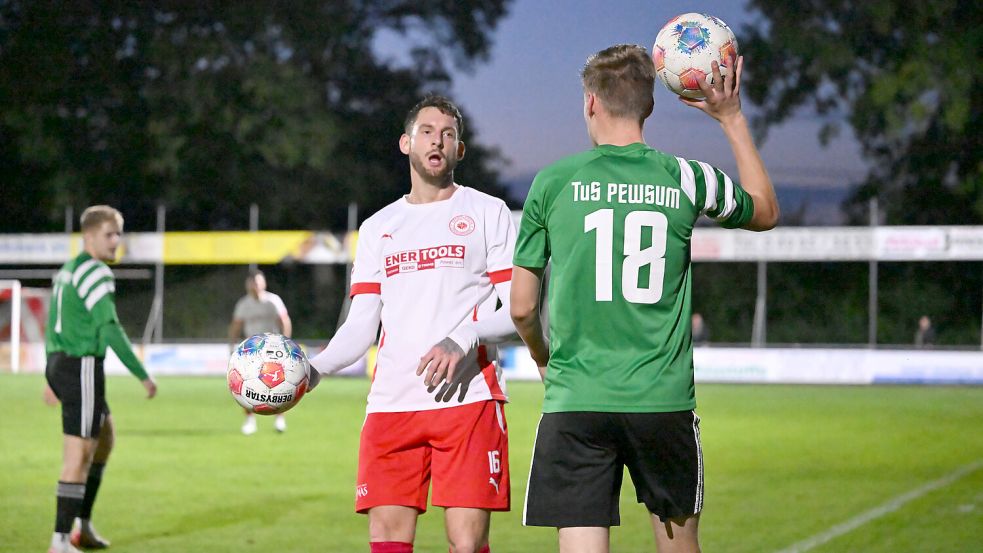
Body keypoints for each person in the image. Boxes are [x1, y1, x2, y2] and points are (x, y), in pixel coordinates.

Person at [510, 45, 779, 553]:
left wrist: (544, 359)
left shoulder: (552, 182)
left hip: (576, 400)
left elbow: (522, 306)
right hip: (662, 402)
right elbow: (764, 211)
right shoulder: (687, 177)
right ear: (650, 106)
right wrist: (731, 117)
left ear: (591, 103)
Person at [306, 94, 516, 553]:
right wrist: (315, 369)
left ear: (460, 150)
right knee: (387, 541)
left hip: (469, 401)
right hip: (391, 405)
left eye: (448, 134)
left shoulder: (488, 212)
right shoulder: (378, 227)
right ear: (406, 143)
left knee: (467, 542)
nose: (436, 140)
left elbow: (520, 310)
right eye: (426, 131)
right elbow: (362, 325)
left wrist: (465, 337)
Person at [44, 205, 158, 553]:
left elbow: (55, 322)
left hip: (62, 362)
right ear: (89, 236)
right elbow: (109, 329)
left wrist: (51, 374)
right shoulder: (96, 272)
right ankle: (60, 542)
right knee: (78, 455)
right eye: (109, 234)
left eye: (118, 234)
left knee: (104, 438)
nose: (116, 242)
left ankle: (82, 526)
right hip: (80, 366)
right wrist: (142, 374)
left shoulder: (69, 270)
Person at [228, 269, 292, 434]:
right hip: (252, 352)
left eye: (257, 282)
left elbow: (284, 321)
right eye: (252, 282)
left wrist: (286, 344)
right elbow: (236, 326)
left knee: (279, 384)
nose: (255, 286)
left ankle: (279, 419)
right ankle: (250, 420)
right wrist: (232, 346)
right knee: (247, 384)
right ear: (247, 285)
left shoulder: (273, 301)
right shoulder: (243, 304)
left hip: (272, 350)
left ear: (263, 283)